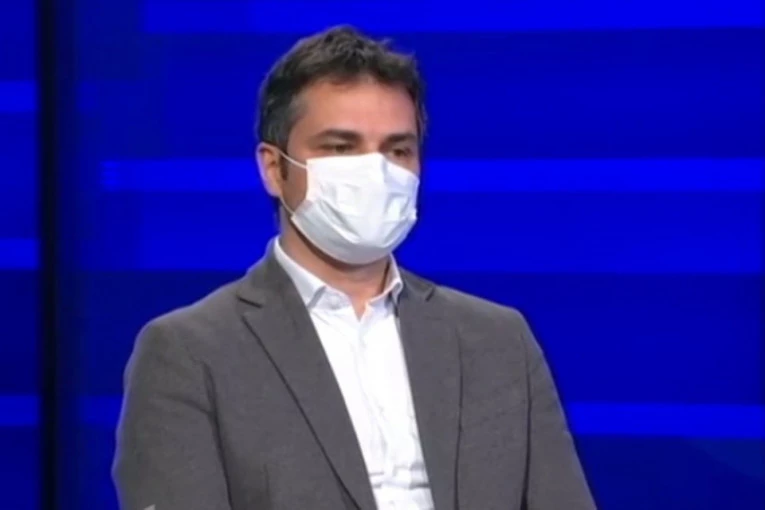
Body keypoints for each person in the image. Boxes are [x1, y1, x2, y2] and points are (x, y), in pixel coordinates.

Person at [113, 25, 596, 510]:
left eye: (397, 150)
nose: (376, 172)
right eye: (341, 148)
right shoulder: (189, 353)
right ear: (274, 169)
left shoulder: (499, 341)